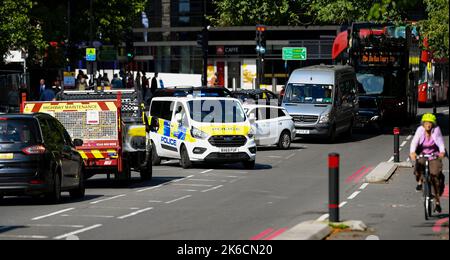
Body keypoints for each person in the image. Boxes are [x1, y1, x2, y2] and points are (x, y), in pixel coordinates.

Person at [410, 113, 446, 213]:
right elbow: (414, 141)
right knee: (419, 165)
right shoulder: (420, 130)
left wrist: (442, 151)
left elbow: (440, 142)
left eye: (430, 123)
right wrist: (412, 152)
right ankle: (420, 181)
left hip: (434, 155)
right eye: (426, 123)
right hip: (422, 154)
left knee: (435, 175)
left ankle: (437, 202)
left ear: (433, 124)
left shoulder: (436, 130)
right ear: (423, 123)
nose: (428, 125)